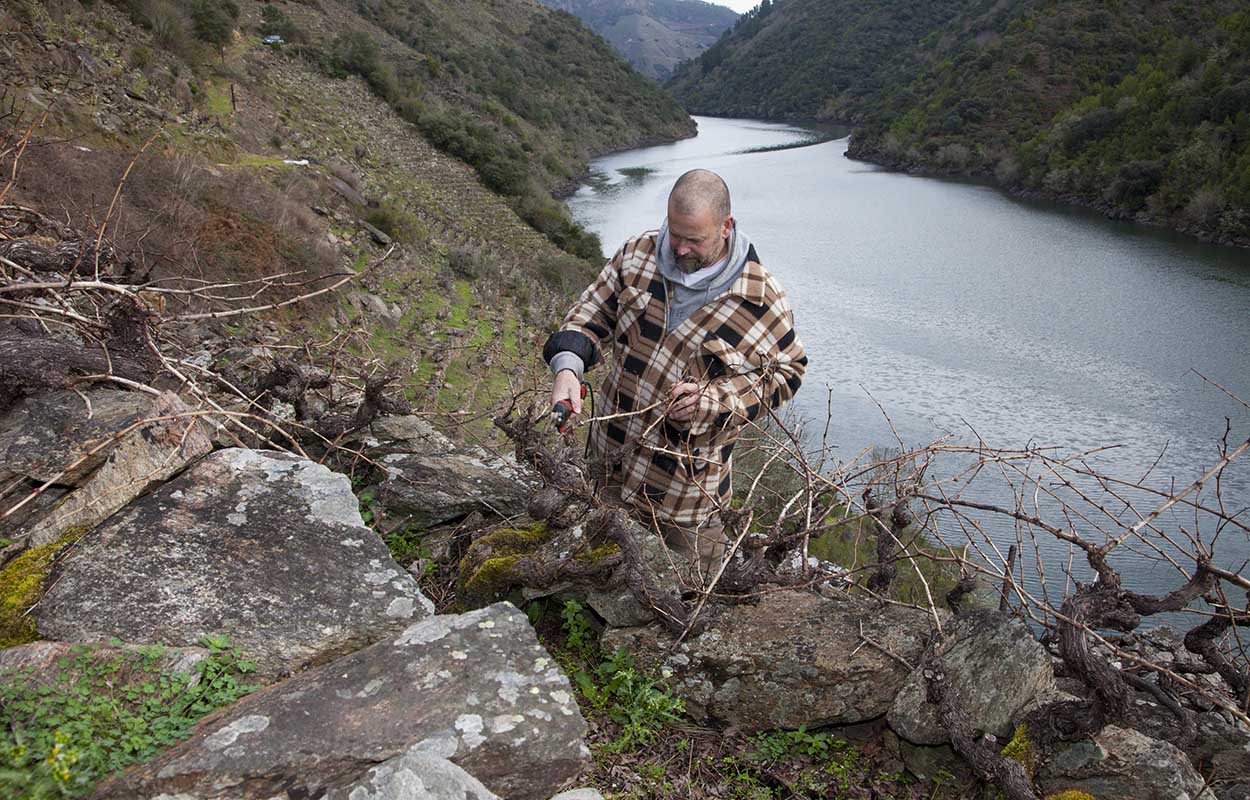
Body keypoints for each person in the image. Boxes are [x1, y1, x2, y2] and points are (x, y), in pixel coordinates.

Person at [543, 169, 807, 580]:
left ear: (726, 226)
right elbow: (589, 316)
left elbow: (787, 373)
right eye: (674, 233)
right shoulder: (636, 255)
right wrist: (567, 368)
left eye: (694, 240)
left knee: (687, 592)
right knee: (591, 575)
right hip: (607, 467)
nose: (680, 248)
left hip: (685, 498)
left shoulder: (759, 298)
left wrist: (714, 402)